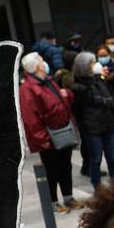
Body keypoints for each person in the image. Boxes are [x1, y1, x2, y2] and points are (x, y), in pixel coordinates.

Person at [19, 51, 80, 213]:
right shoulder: (28, 88)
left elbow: (59, 101)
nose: (44, 63)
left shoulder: (49, 81)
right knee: (51, 171)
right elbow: (31, 118)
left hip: (63, 131)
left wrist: (67, 95)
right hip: (49, 137)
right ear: (36, 66)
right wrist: (43, 139)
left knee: (65, 166)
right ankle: (53, 201)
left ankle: (68, 197)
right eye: (41, 60)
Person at [71, 50, 114, 190]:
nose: (96, 65)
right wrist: (84, 128)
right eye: (92, 63)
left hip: (108, 125)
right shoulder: (79, 87)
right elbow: (77, 111)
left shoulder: (99, 80)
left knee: (112, 158)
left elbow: (110, 99)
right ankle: (97, 186)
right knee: (96, 160)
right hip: (92, 129)